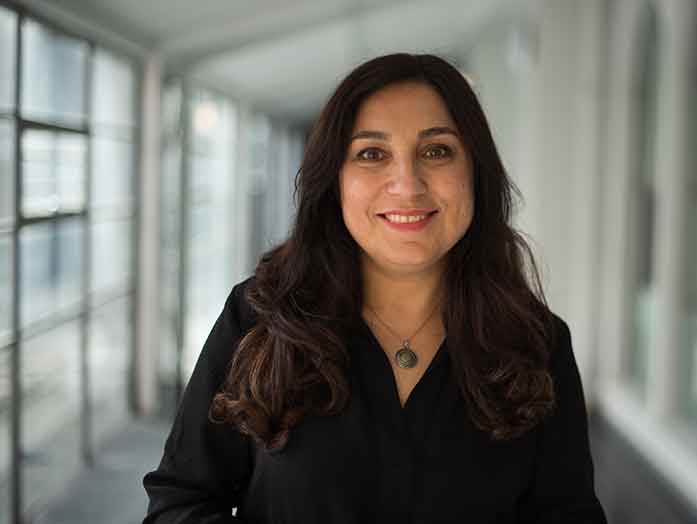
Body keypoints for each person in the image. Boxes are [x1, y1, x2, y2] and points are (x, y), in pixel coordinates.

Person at [142, 53, 606, 524]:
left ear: (476, 173)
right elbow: (181, 504)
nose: (407, 185)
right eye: (371, 154)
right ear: (335, 181)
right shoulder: (260, 319)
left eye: (436, 150)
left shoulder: (536, 344)